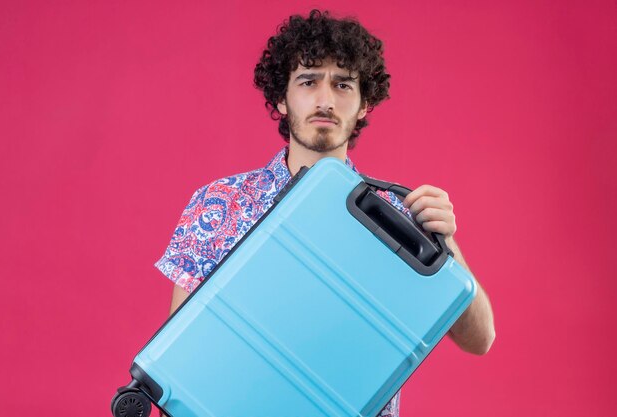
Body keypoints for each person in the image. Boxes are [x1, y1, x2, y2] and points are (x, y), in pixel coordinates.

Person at [155, 9, 495, 417]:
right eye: (308, 81)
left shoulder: (396, 215)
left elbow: (480, 339)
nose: (325, 100)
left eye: (343, 85)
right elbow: (179, 360)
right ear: (281, 98)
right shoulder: (218, 203)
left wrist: (444, 240)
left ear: (364, 104)